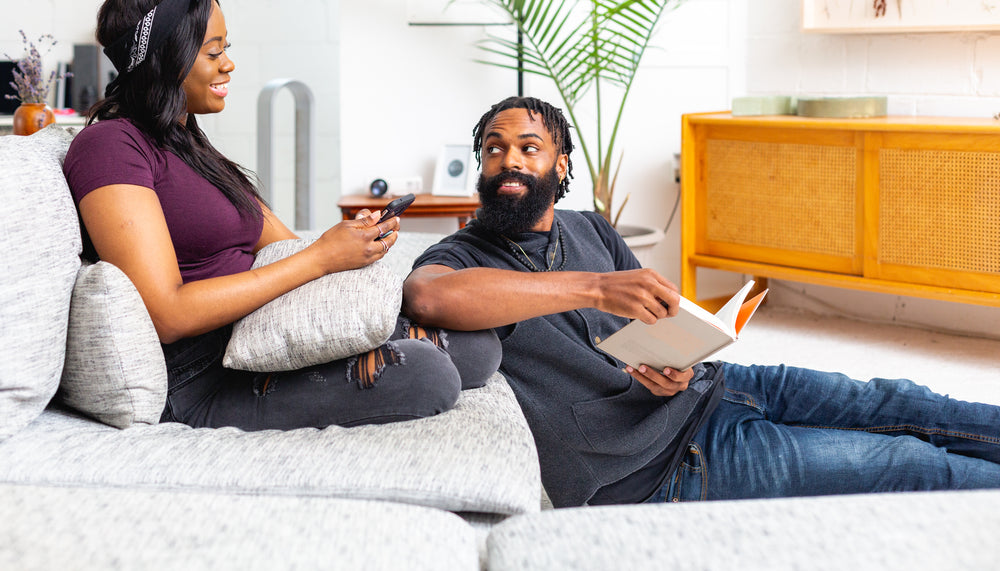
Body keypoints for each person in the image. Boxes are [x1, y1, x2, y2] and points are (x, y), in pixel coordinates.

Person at [403, 95, 1000, 508]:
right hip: (665, 462)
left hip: (715, 386)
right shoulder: (461, 256)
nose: (509, 160)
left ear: (560, 166)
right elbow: (428, 297)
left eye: (529, 148)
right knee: (907, 464)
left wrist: (677, 362)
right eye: (494, 148)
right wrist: (594, 287)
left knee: (901, 401)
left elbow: (664, 322)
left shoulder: (592, 228)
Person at [63, 0, 499, 432]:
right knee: (429, 373)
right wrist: (322, 258)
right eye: (214, 52)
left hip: (262, 331)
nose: (228, 64)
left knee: (479, 348)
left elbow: (283, 244)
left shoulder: (187, 141)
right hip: (204, 377)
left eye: (225, 49)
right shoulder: (110, 146)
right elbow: (167, 312)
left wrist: (351, 246)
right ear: (165, 56)